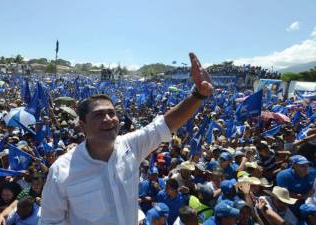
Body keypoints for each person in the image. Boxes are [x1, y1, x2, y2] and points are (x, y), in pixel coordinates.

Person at [40, 53, 214, 225]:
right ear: (83, 125)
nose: (108, 119)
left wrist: (198, 95)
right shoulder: (61, 171)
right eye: (99, 115)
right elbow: (50, 222)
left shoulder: (131, 146)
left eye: (111, 113)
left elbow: (165, 124)